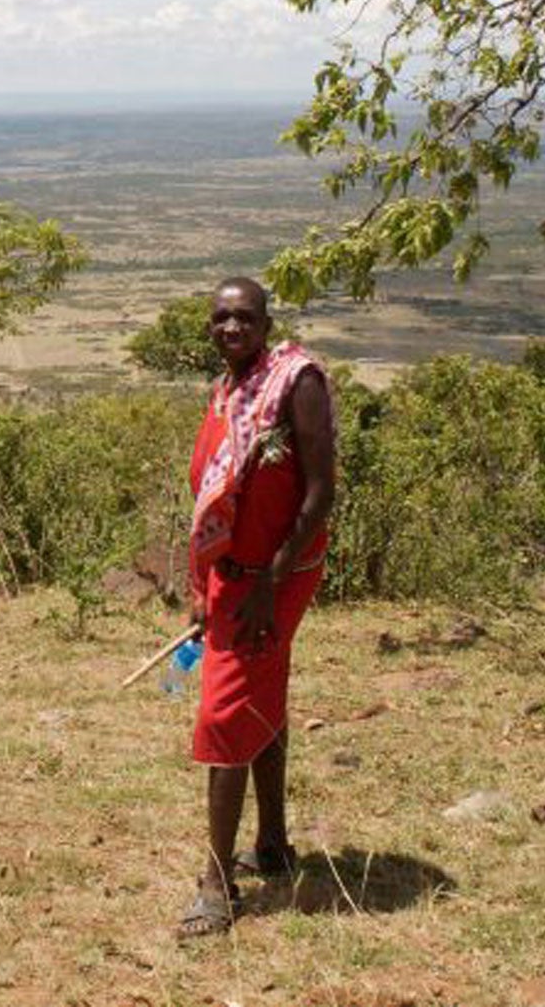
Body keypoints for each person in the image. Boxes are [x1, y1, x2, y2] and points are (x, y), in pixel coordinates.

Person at [177, 276, 336, 937]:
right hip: (234, 576)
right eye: (219, 318)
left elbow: (322, 491)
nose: (230, 328)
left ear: (267, 323)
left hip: (276, 577)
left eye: (243, 317)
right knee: (259, 701)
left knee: (223, 717)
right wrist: (201, 590)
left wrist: (270, 577)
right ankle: (270, 845)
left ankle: (217, 884)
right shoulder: (229, 389)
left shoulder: (297, 382)